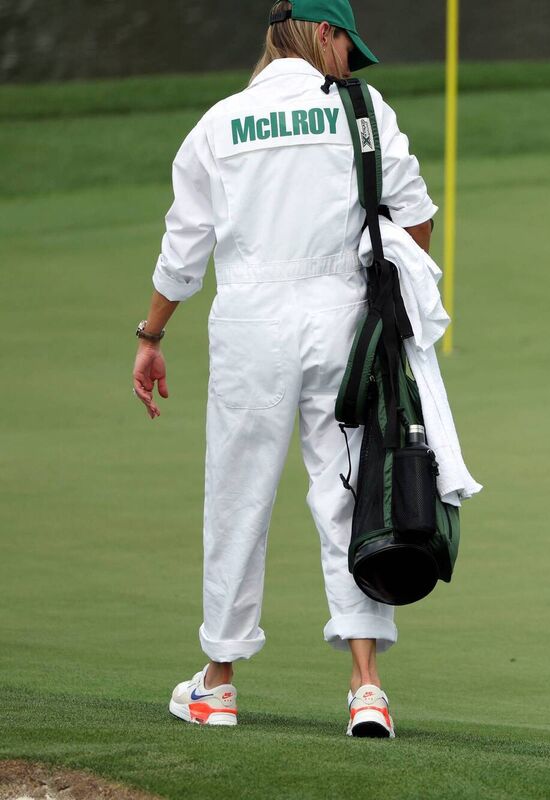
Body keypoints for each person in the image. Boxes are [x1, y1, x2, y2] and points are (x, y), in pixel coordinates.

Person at [131, 0, 437, 738]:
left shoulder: (220, 121)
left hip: (249, 323)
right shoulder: (362, 111)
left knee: (238, 497)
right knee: (352, 497)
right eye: (345, 45)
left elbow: (185, 249)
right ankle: (367, 688)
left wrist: (151, 334)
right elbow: (417, 215)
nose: (349, 62)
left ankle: (219, 684)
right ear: (323, 33)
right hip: (342, 317)